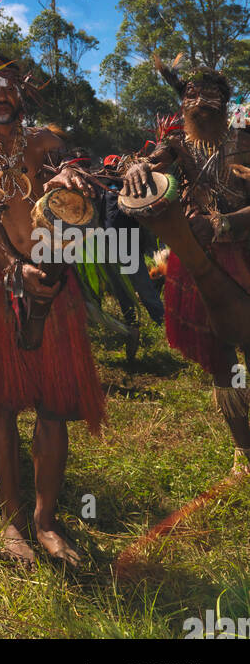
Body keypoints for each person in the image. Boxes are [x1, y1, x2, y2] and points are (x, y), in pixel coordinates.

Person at [0, 0, 105, 566]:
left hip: (52, 278)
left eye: (11, 85)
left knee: (55, 404)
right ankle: (12, 519)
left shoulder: (42, 141)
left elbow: (79, 167)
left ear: (24, 91)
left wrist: (73, 172)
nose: (1, 94)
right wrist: (15, 270)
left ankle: (46, 518)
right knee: (0, 405)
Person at [121, 62, 250, 468]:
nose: (200, 103)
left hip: (245, 251)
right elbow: (153, 162)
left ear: (225, 103)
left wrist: (224, 223)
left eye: (210, 96)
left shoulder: (244, 140)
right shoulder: (175, 143)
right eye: (192, 95)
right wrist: (138, 166)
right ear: (182, 102)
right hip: (197, 259)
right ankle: (243, 453)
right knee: (220, 357)